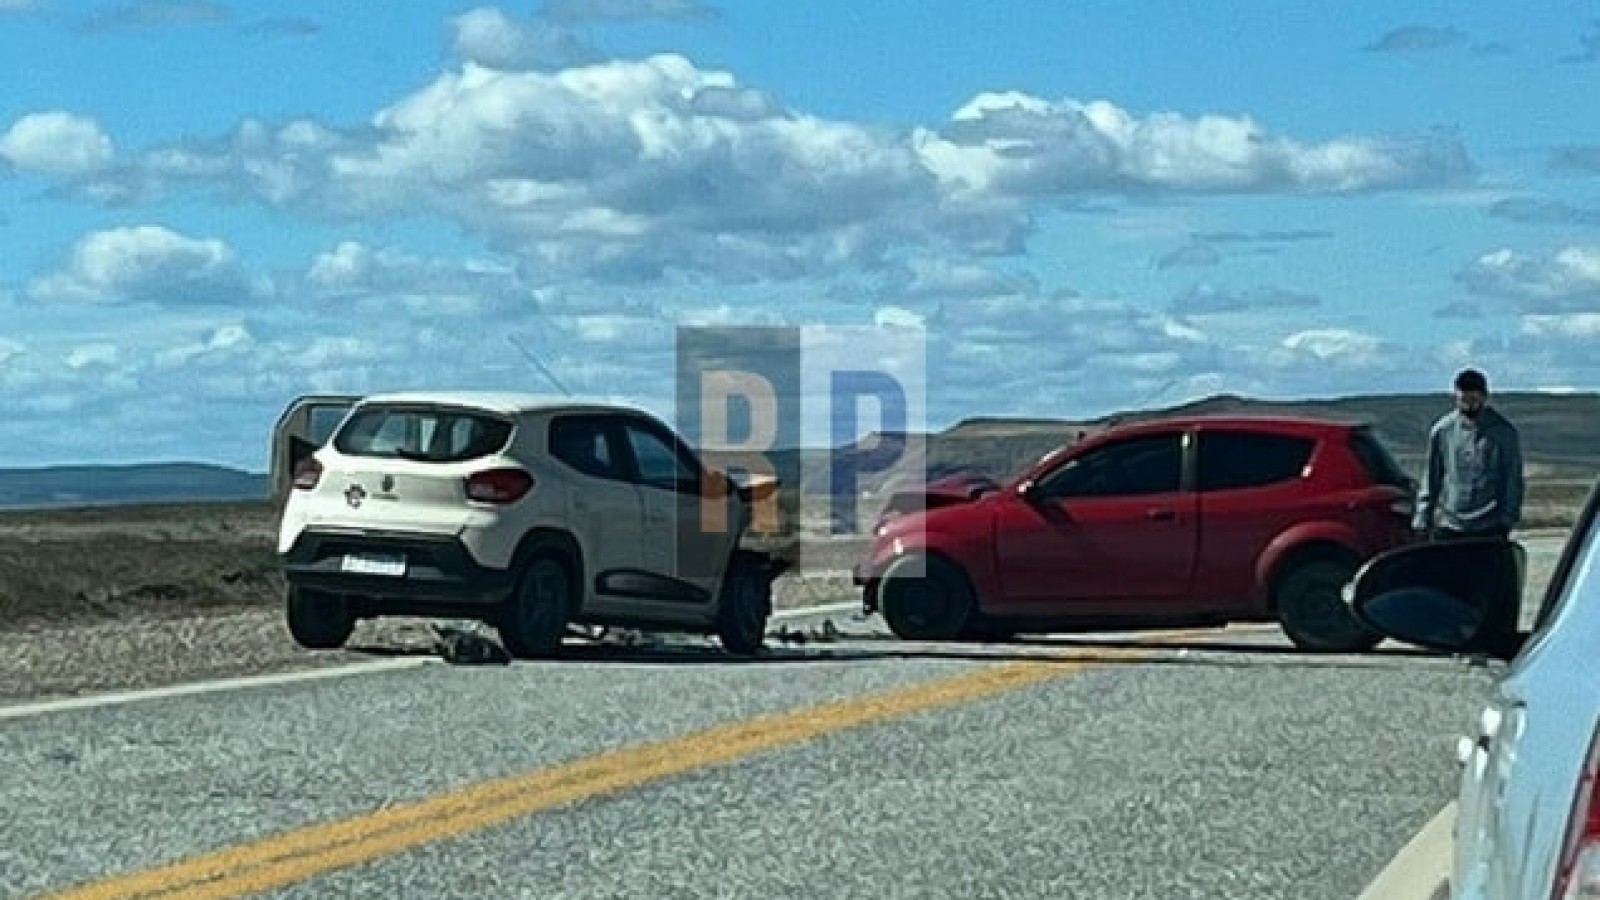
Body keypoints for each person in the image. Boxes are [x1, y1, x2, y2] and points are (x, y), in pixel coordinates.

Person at [1412, 367, 1525, 656]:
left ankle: (1486, 643)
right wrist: (1423, 515)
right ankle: (1453, 641)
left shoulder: (1503, 432)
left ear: (1484, 397)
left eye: (1474, 398)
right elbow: (1432, 475)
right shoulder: (1443, 430)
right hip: (1451, 521)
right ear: (1456, 396)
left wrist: (1507, 518)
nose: (1469, 404)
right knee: (1452, 587)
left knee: (1486, 589)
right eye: (1464, 398)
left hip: (1489, 523)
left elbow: (1512, 478)